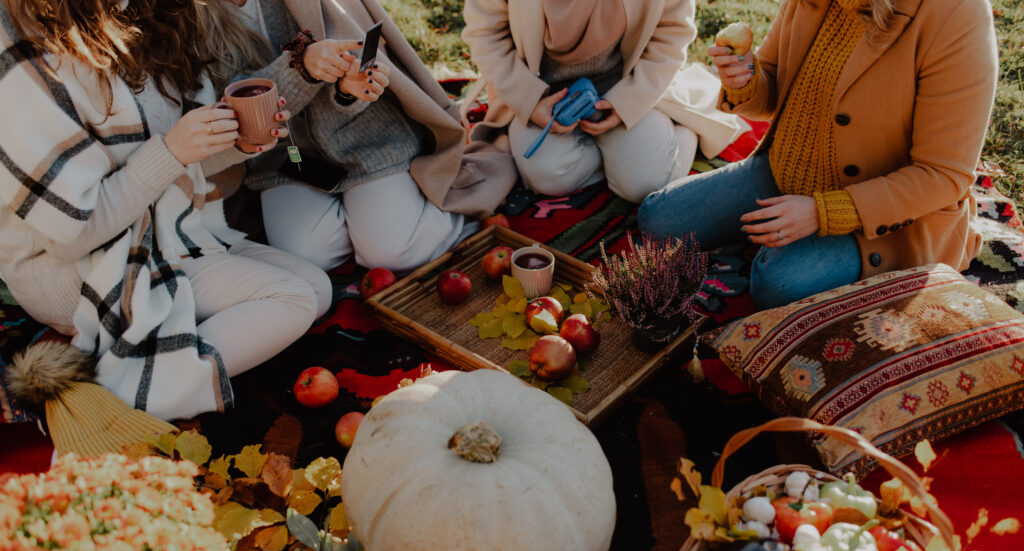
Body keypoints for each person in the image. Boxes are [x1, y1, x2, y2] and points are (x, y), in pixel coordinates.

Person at [0, 0, 332, 420]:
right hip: (81, 266)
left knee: (317, 290)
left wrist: (236, 144)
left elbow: (178, 162)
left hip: (163, 227)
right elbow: (73, 234)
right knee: (294, 299)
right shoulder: (25, 54)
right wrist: (172, 151)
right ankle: (126, 393)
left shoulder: (154, 13)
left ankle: (149, 343)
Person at [637, 0, 999, 309]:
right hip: (784, 171)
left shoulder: (956, 14)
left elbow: (944, 174)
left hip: (882, 216)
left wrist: (822, 212)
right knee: (658, 220)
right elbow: (776, 83)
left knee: (776, 283)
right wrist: (746, 78)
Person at [204, 0, 517, 274]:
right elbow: (234, 107)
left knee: (391, 252)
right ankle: (376, 219)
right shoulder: (190, 16)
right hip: (287, 159)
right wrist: (300, 68)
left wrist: (347, 89)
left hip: (364, 139)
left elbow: (358, 59)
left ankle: (455, 197)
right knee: (308, 256)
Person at [461, 0, 749, 204]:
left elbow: (672, 33)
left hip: (628, 83)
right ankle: (622, 157)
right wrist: (530, 100)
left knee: (645, 184)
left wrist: (626, 105)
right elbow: (485, 35)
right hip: (544, 94)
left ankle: (682, 129)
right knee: (546, 177)